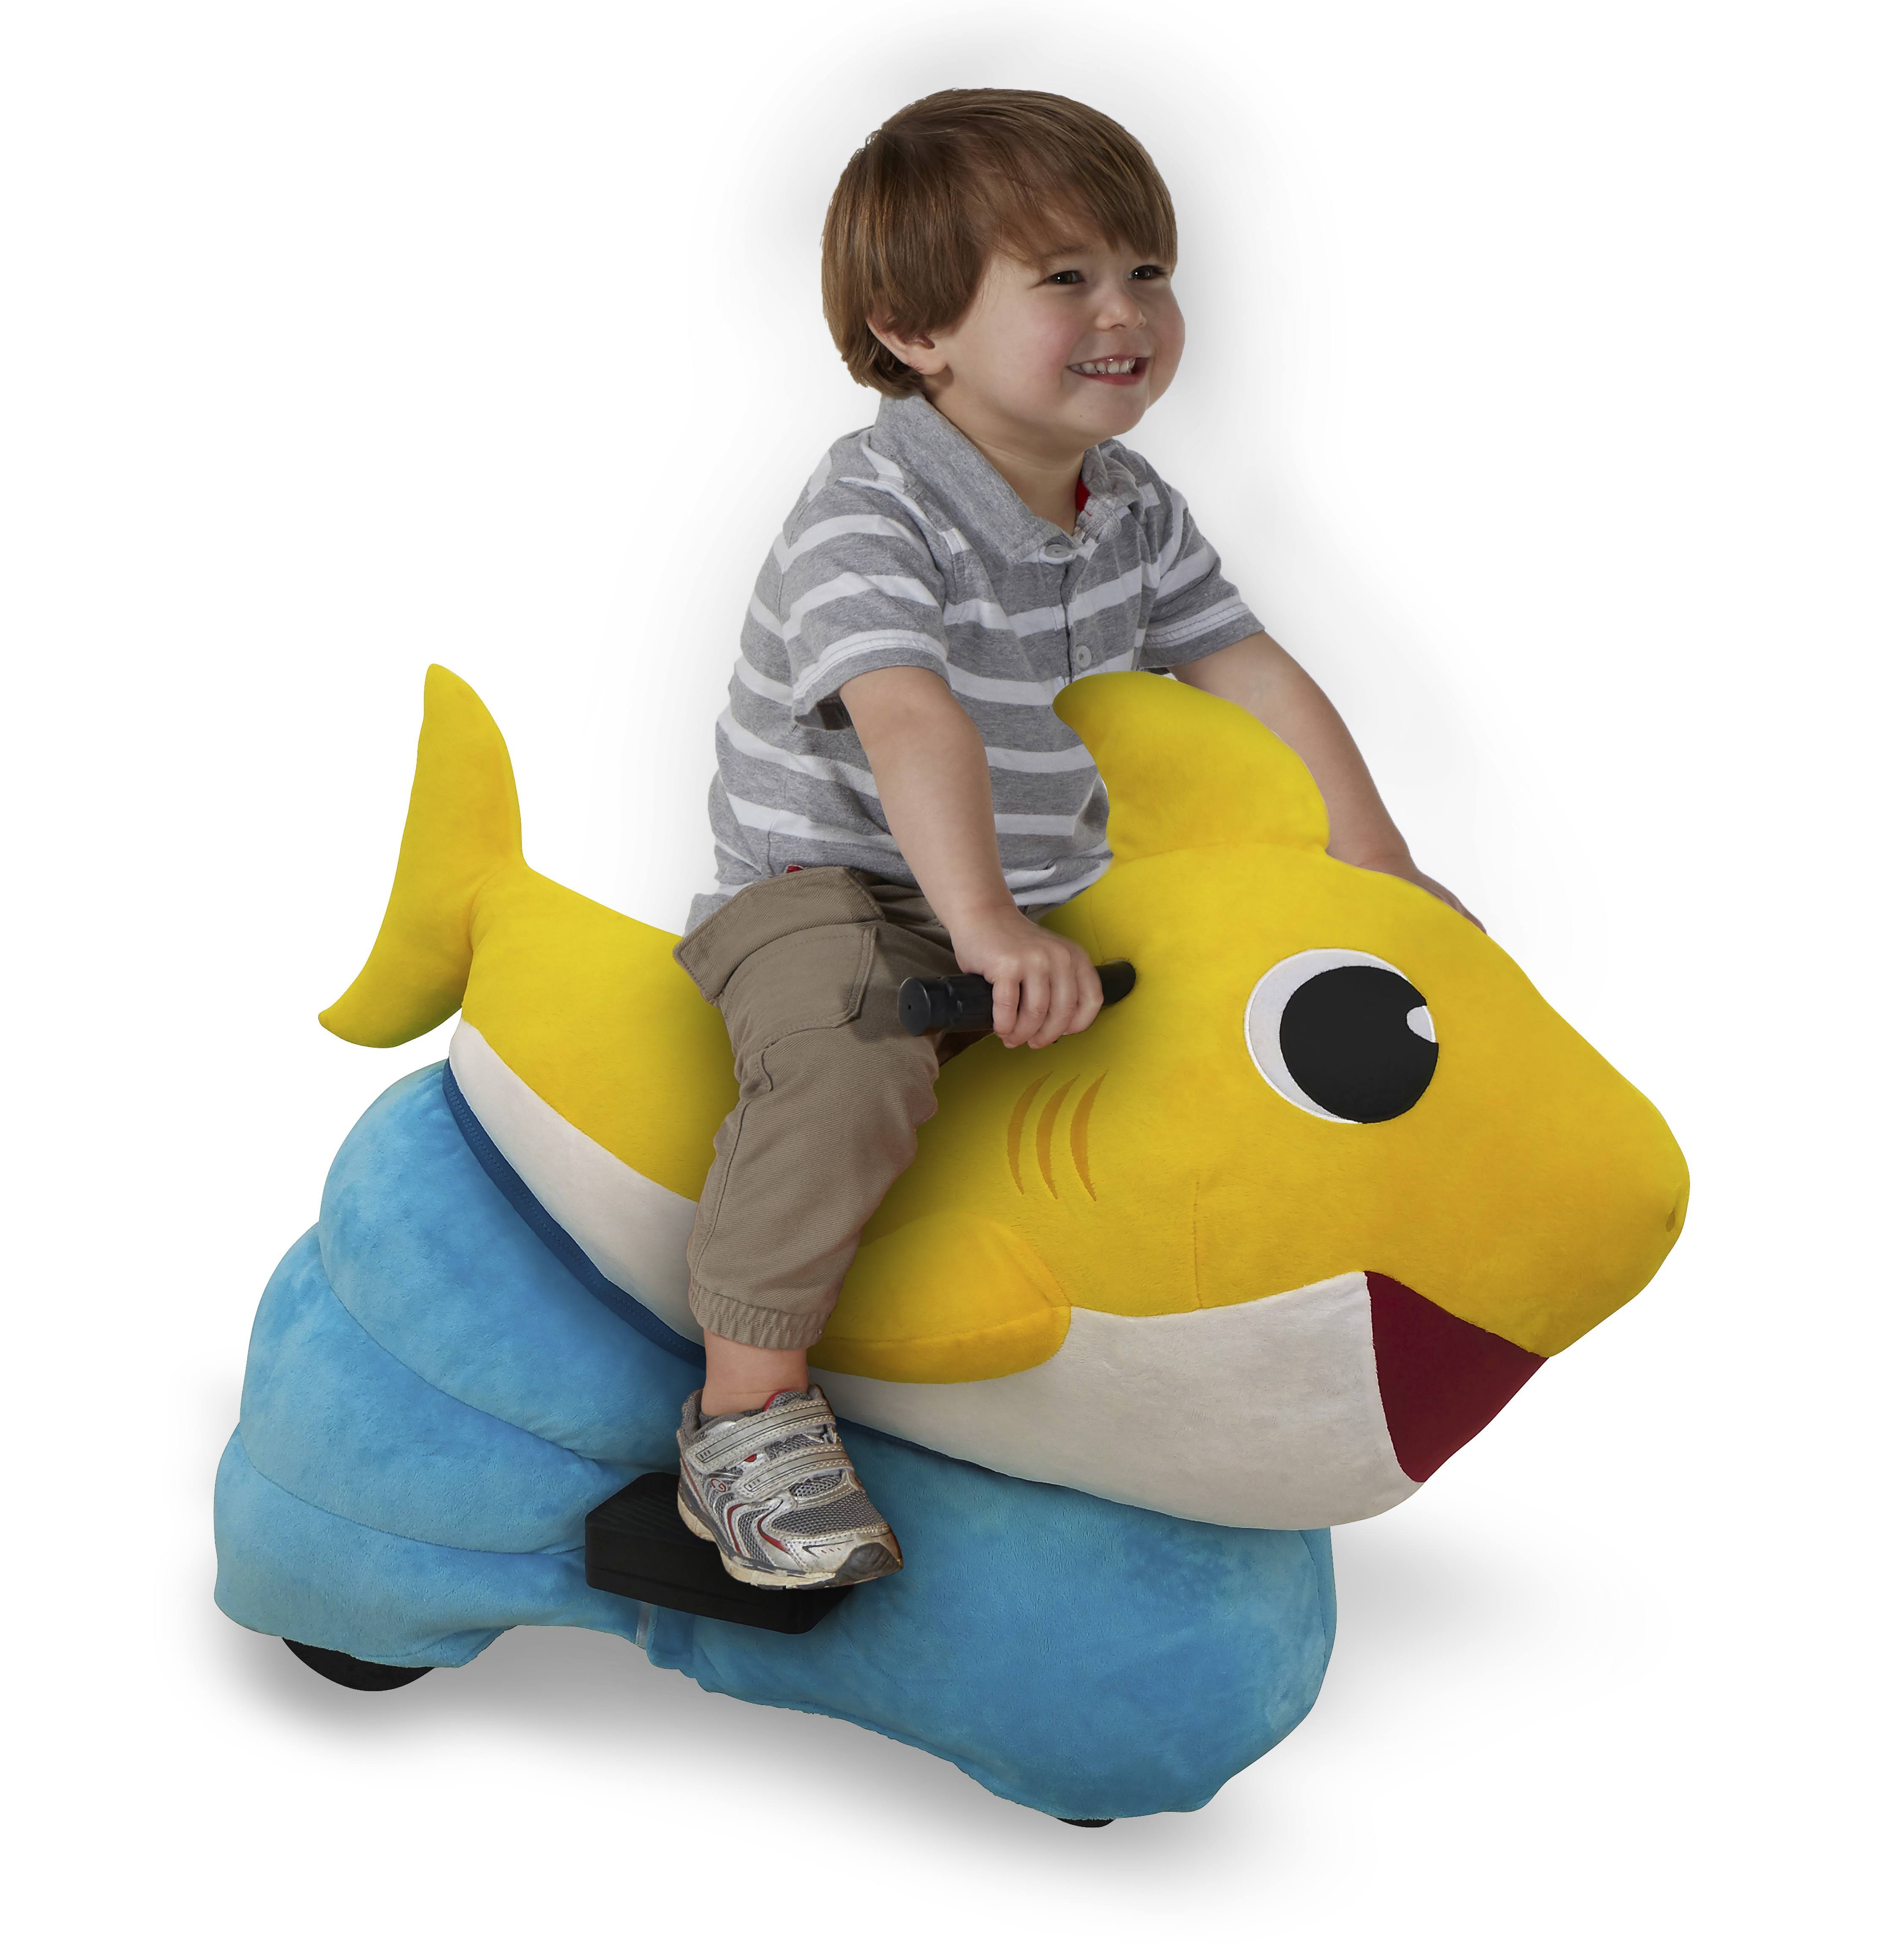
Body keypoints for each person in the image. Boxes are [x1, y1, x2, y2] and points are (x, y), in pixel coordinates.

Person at [670, 88, 1477, 1589]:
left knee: (1230, 1033)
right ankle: (745, 1415)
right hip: (832, 890)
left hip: (1039, 890)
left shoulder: (1132, 508)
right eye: (1064, 279)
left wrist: (1369, 860)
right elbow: (910, 718)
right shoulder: (869, 508)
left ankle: (1168, 1349)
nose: (1125, 312)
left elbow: (1243, 666)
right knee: (848, 1066)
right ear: (914, 329)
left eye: (1145, 271)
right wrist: (981, 929)